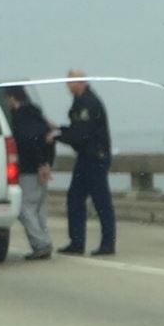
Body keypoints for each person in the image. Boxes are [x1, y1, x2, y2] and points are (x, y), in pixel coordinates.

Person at [48, 70, 116, 256]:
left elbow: (82, 134)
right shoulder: (79, 102)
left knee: (101, 201)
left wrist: (57, 137)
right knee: (75, 199)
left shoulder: (89, 102)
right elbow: (76, 129)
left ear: (80, 82)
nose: (67, 86)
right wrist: (59, 130)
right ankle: (76, 242)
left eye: (70, 82)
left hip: (95, 157)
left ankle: (108, 243)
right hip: (85, 157)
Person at [6, 86, 55, 260]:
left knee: (23, 207)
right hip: (42, 167)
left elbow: (28, 142)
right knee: (39, 208)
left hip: (28, 168)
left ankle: (41, 243)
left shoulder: (20, 118)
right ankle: (43, 241)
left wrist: (39, 164)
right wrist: (47, 164)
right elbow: (49, 139)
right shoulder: (38, 116)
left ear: (12, 98)